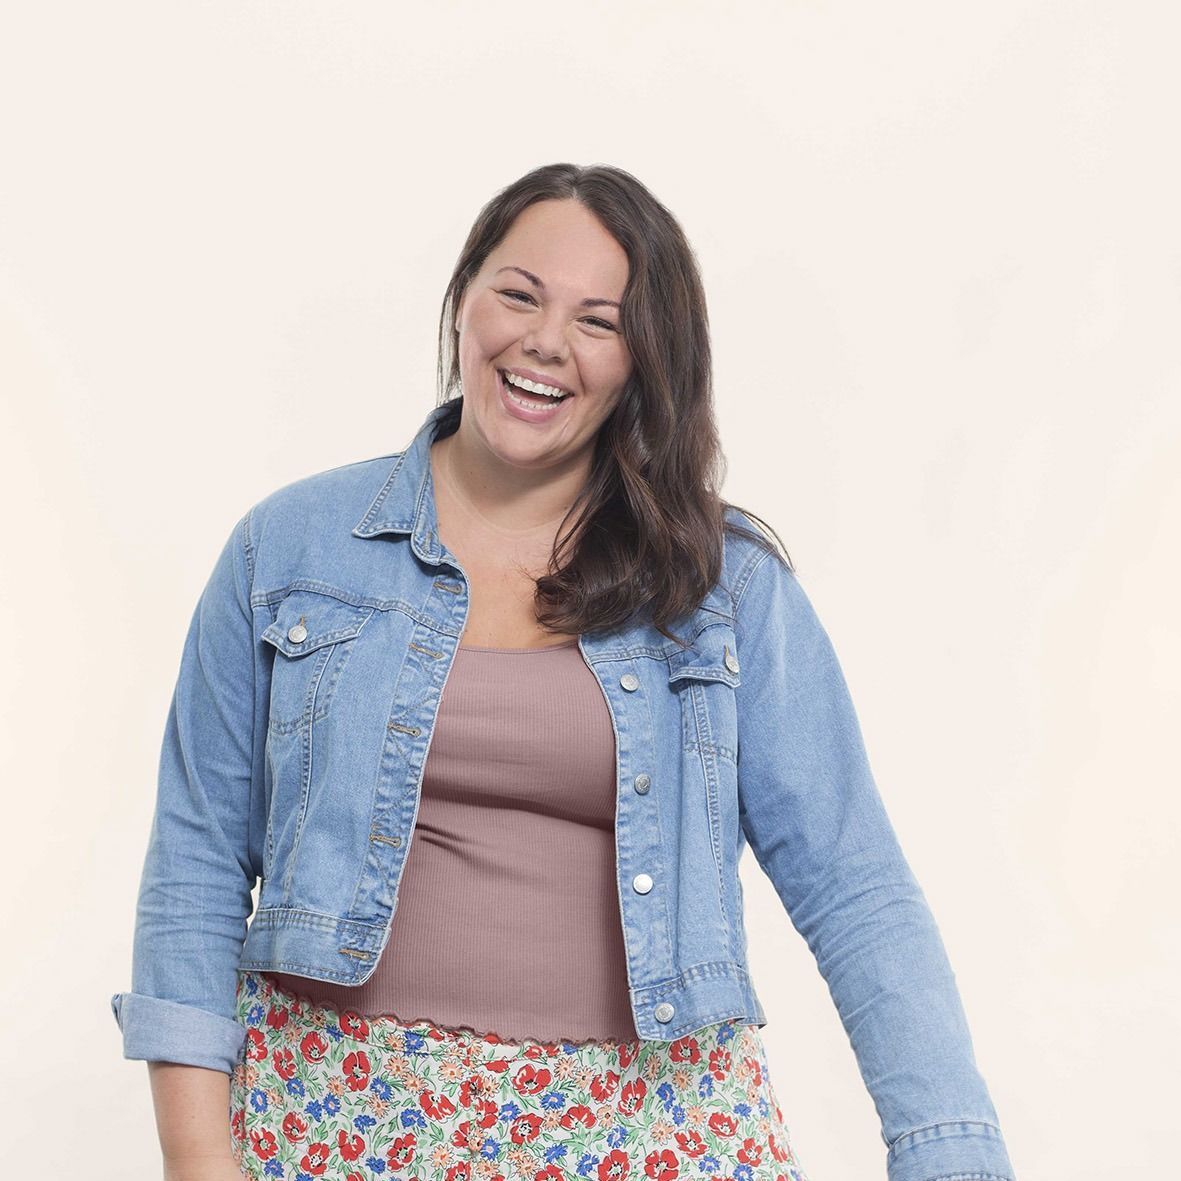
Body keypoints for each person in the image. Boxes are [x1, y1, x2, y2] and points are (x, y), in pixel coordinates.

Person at [111, 162, 1016, 1181]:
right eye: (518, 292)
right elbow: (193, 863)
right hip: (336, 1114)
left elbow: (855, 886)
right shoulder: (289, 547)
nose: (545, 340)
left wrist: (948, 1152)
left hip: (651, 1125)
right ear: (462, 302)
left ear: (643, 362)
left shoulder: (726, 589)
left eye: (598, 320)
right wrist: (198, 1157)